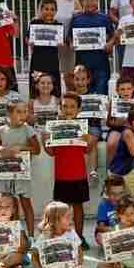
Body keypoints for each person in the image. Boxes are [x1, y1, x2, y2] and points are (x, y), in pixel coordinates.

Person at [44, 93, 93, 249]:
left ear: (79, 110)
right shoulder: (55, 128)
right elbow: (51, 152)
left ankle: (79, 237)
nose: (68, 109)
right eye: (65, 106)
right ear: (60, 108)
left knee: (78, 207)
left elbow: (88, 150)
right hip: (61, 176)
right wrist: (45, 140)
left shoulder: (82, 128)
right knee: (60, 210)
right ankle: (62, 237)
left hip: (79, 175)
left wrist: (89, 139)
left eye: (72, 107)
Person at [0, 100, 41, 233]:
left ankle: (31, 236)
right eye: (19, 112)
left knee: (25, 203)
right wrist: (0, 148)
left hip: (22, 174)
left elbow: (37, 150)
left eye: (25, 112)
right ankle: (11, 235)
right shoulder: (1, 130)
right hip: (5, 174)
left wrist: (21, 148)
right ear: (9, 113)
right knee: (7, 204)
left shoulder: (28, 129)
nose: (23, 115)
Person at [33, 202, 90, 268]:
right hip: (51, 267)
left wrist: (79, 263)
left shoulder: (71, 233)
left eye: (71, 216)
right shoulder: (44, 235)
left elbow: (79, 250)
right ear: (55, 221)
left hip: (68, 265)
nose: (71, 219)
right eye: (67, 217)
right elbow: (35, 253)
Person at [69, 0, 115, 95]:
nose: (90, 3)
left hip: (101, 64)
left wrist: (110, 43)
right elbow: (69, 37)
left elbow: (113, 36)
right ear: (81, 2)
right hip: (82, 65)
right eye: (87, 0)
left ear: (97, 1)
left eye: (93, 0)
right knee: (83, 95)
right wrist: (71, 44)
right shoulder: (76, 19)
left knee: (101, 95)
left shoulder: (104, 18)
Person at [44, 0, 82, 91]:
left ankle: (71, 100)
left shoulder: (74, 2)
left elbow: (80, 23)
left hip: (68, 45)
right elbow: (40, 22)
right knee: (51, 78)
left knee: (70, 78)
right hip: (51, 46)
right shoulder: (46, 1)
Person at [107, 106, 134, 209]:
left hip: (127, 169)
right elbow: (133, 152)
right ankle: (111, 216)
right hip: (118, 170)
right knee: (115, 198)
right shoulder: (128, 133)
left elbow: (131, 149)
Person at [25, 0, 64, 97]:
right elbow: (27, 39)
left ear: (56, 11)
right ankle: (34, 105)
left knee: (54, 85)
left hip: (52, 60)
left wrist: (60, 43)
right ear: (41, 9)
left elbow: (60, 43)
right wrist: (30, 42)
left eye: (52, 9)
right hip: (38, 60)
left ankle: (55, 105)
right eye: (46, 9)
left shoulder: (58, 25)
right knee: (36, 85)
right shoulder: (34, 23)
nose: (49, 12)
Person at [94, 176, 126, 247]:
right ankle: (115, 246)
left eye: (121, 193)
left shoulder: (127, 203)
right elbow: (100, 227)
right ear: (107, 193)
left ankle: (122, 244)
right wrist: (114, 230)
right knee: (99, 236)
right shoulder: (103, 205)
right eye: (113, 194)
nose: (117, 197)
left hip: (125, 231)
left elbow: (133, 220)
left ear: (124, 192)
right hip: (110, 232)